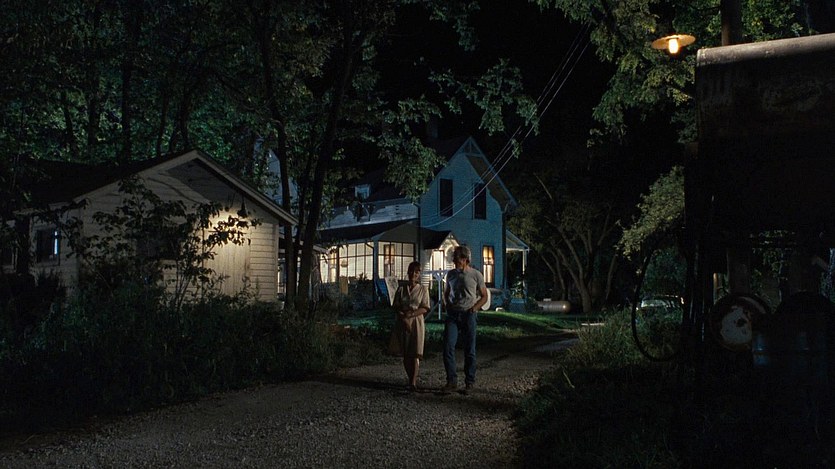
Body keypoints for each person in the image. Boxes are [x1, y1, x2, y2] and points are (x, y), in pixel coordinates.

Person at [442, 245, 488, 394]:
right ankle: (451, 380)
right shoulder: (451, 275)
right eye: (454, 259)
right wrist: (447, 305)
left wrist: (475, 308)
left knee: (469, 349)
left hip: (469, 314)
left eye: (457, 259)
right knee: (448, 347)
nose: (455, 262)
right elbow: (446, 292)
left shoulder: (476, 275)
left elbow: (484, 295)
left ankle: (469, 381)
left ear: (465, 259)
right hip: (453, 315)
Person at [391, 261, 431, 392]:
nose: (414, 274)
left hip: (416, 322)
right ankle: (409, 379)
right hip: (402, 321)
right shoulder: (402, 289)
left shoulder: (423, 289)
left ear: (419, 274)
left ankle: (413, 381)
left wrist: (411, 314)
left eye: (416, 272)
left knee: (415, 352)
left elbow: (425, 307)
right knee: (406, 352)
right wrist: (403, 316)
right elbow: (396, 305)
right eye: (412, 271)